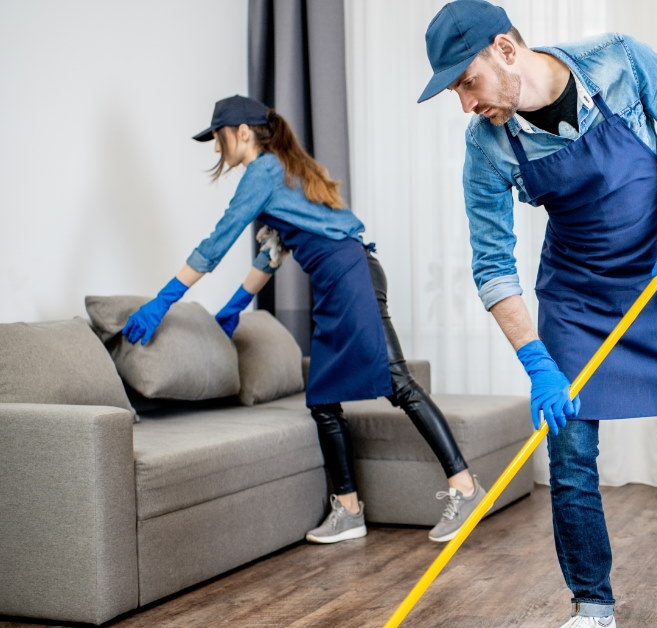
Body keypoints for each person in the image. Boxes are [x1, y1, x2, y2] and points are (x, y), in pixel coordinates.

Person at [418, 2, 657, 627]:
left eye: (467, 82)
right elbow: (492, 265)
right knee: (570, 457)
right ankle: (592, 607)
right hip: (576, 299)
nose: (465, 103)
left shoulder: (619, 62)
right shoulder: (488, 146)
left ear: (505, 50)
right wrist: (537, 359)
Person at [121, 94, 486, 545]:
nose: (216, 149)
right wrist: (233, 307)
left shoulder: (264, 171)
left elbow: (216, 243)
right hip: (342, 280)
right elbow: (271, 254)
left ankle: (465, 487)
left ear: (240, 132)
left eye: (217, 138)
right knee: (322, 398)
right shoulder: (284, 173)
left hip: (348, 277)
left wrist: (163, 301)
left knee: (397, 382)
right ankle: (348, 509)